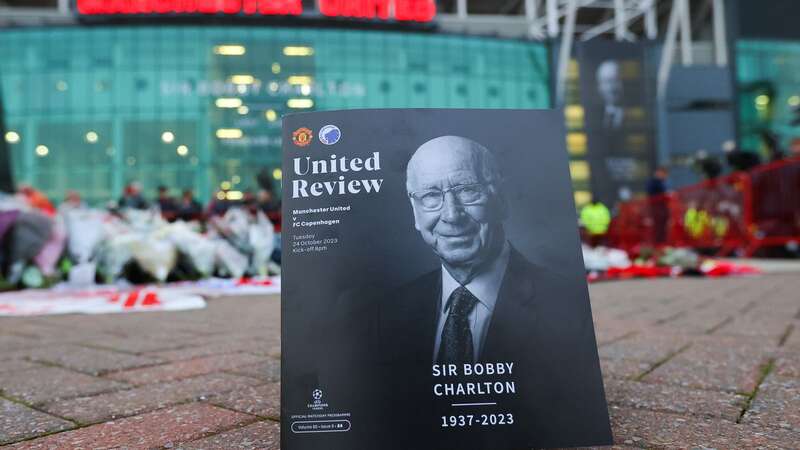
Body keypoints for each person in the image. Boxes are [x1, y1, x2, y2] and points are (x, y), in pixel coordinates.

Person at [596, 60, 625, 129]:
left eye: (615, 81)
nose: (611, 88)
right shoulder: (594, 116)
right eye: (606, 82)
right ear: (599, 86)